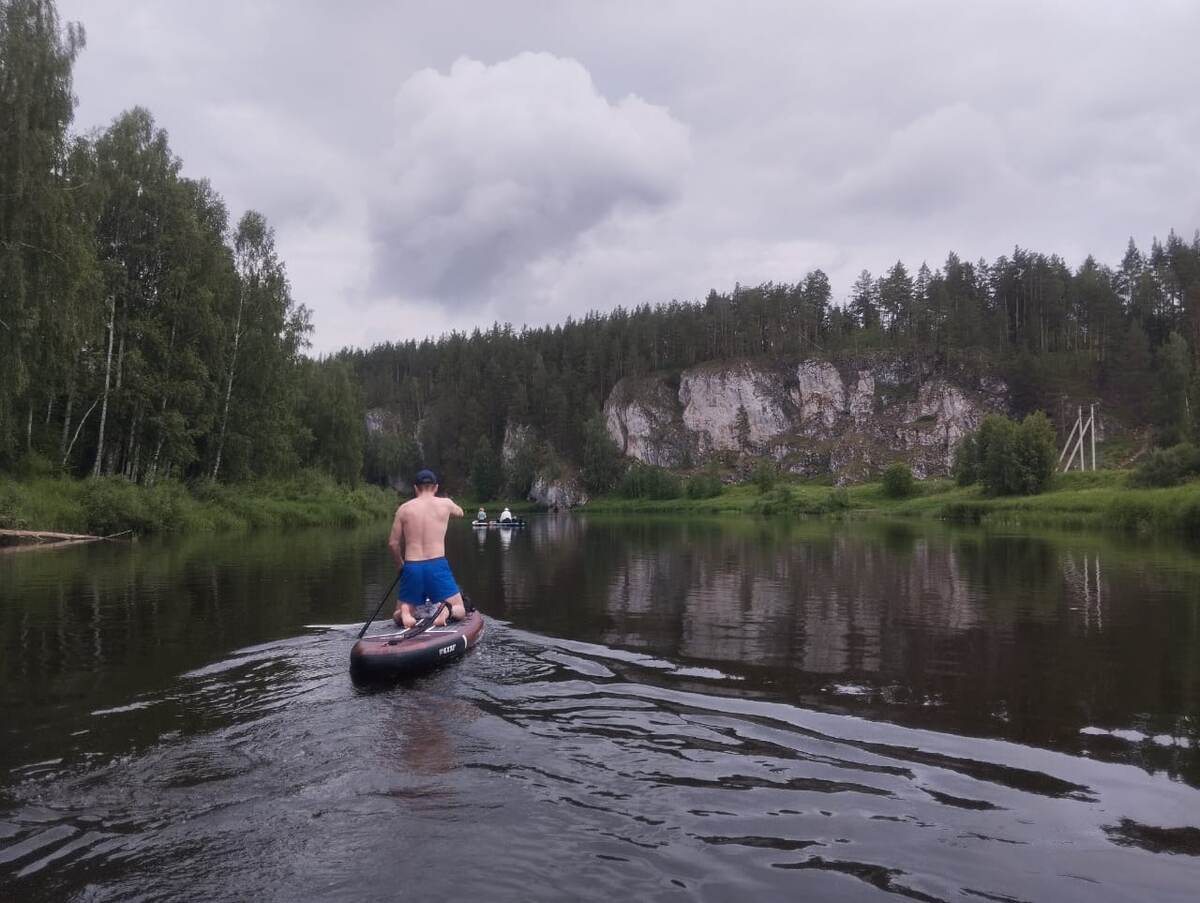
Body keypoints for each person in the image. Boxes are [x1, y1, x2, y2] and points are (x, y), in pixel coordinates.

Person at [388, 469, 467, 628]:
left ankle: (405, 611)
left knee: (397, 615)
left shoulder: (403, 509)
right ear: (436, 487)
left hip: (412, 566)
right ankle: (446, 610)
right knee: (460, 609)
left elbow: (393, 544)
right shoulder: (445, 504)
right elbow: (461, 513)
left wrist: (400, 565)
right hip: (436, 564)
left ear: (415, 488)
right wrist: (447, 513)